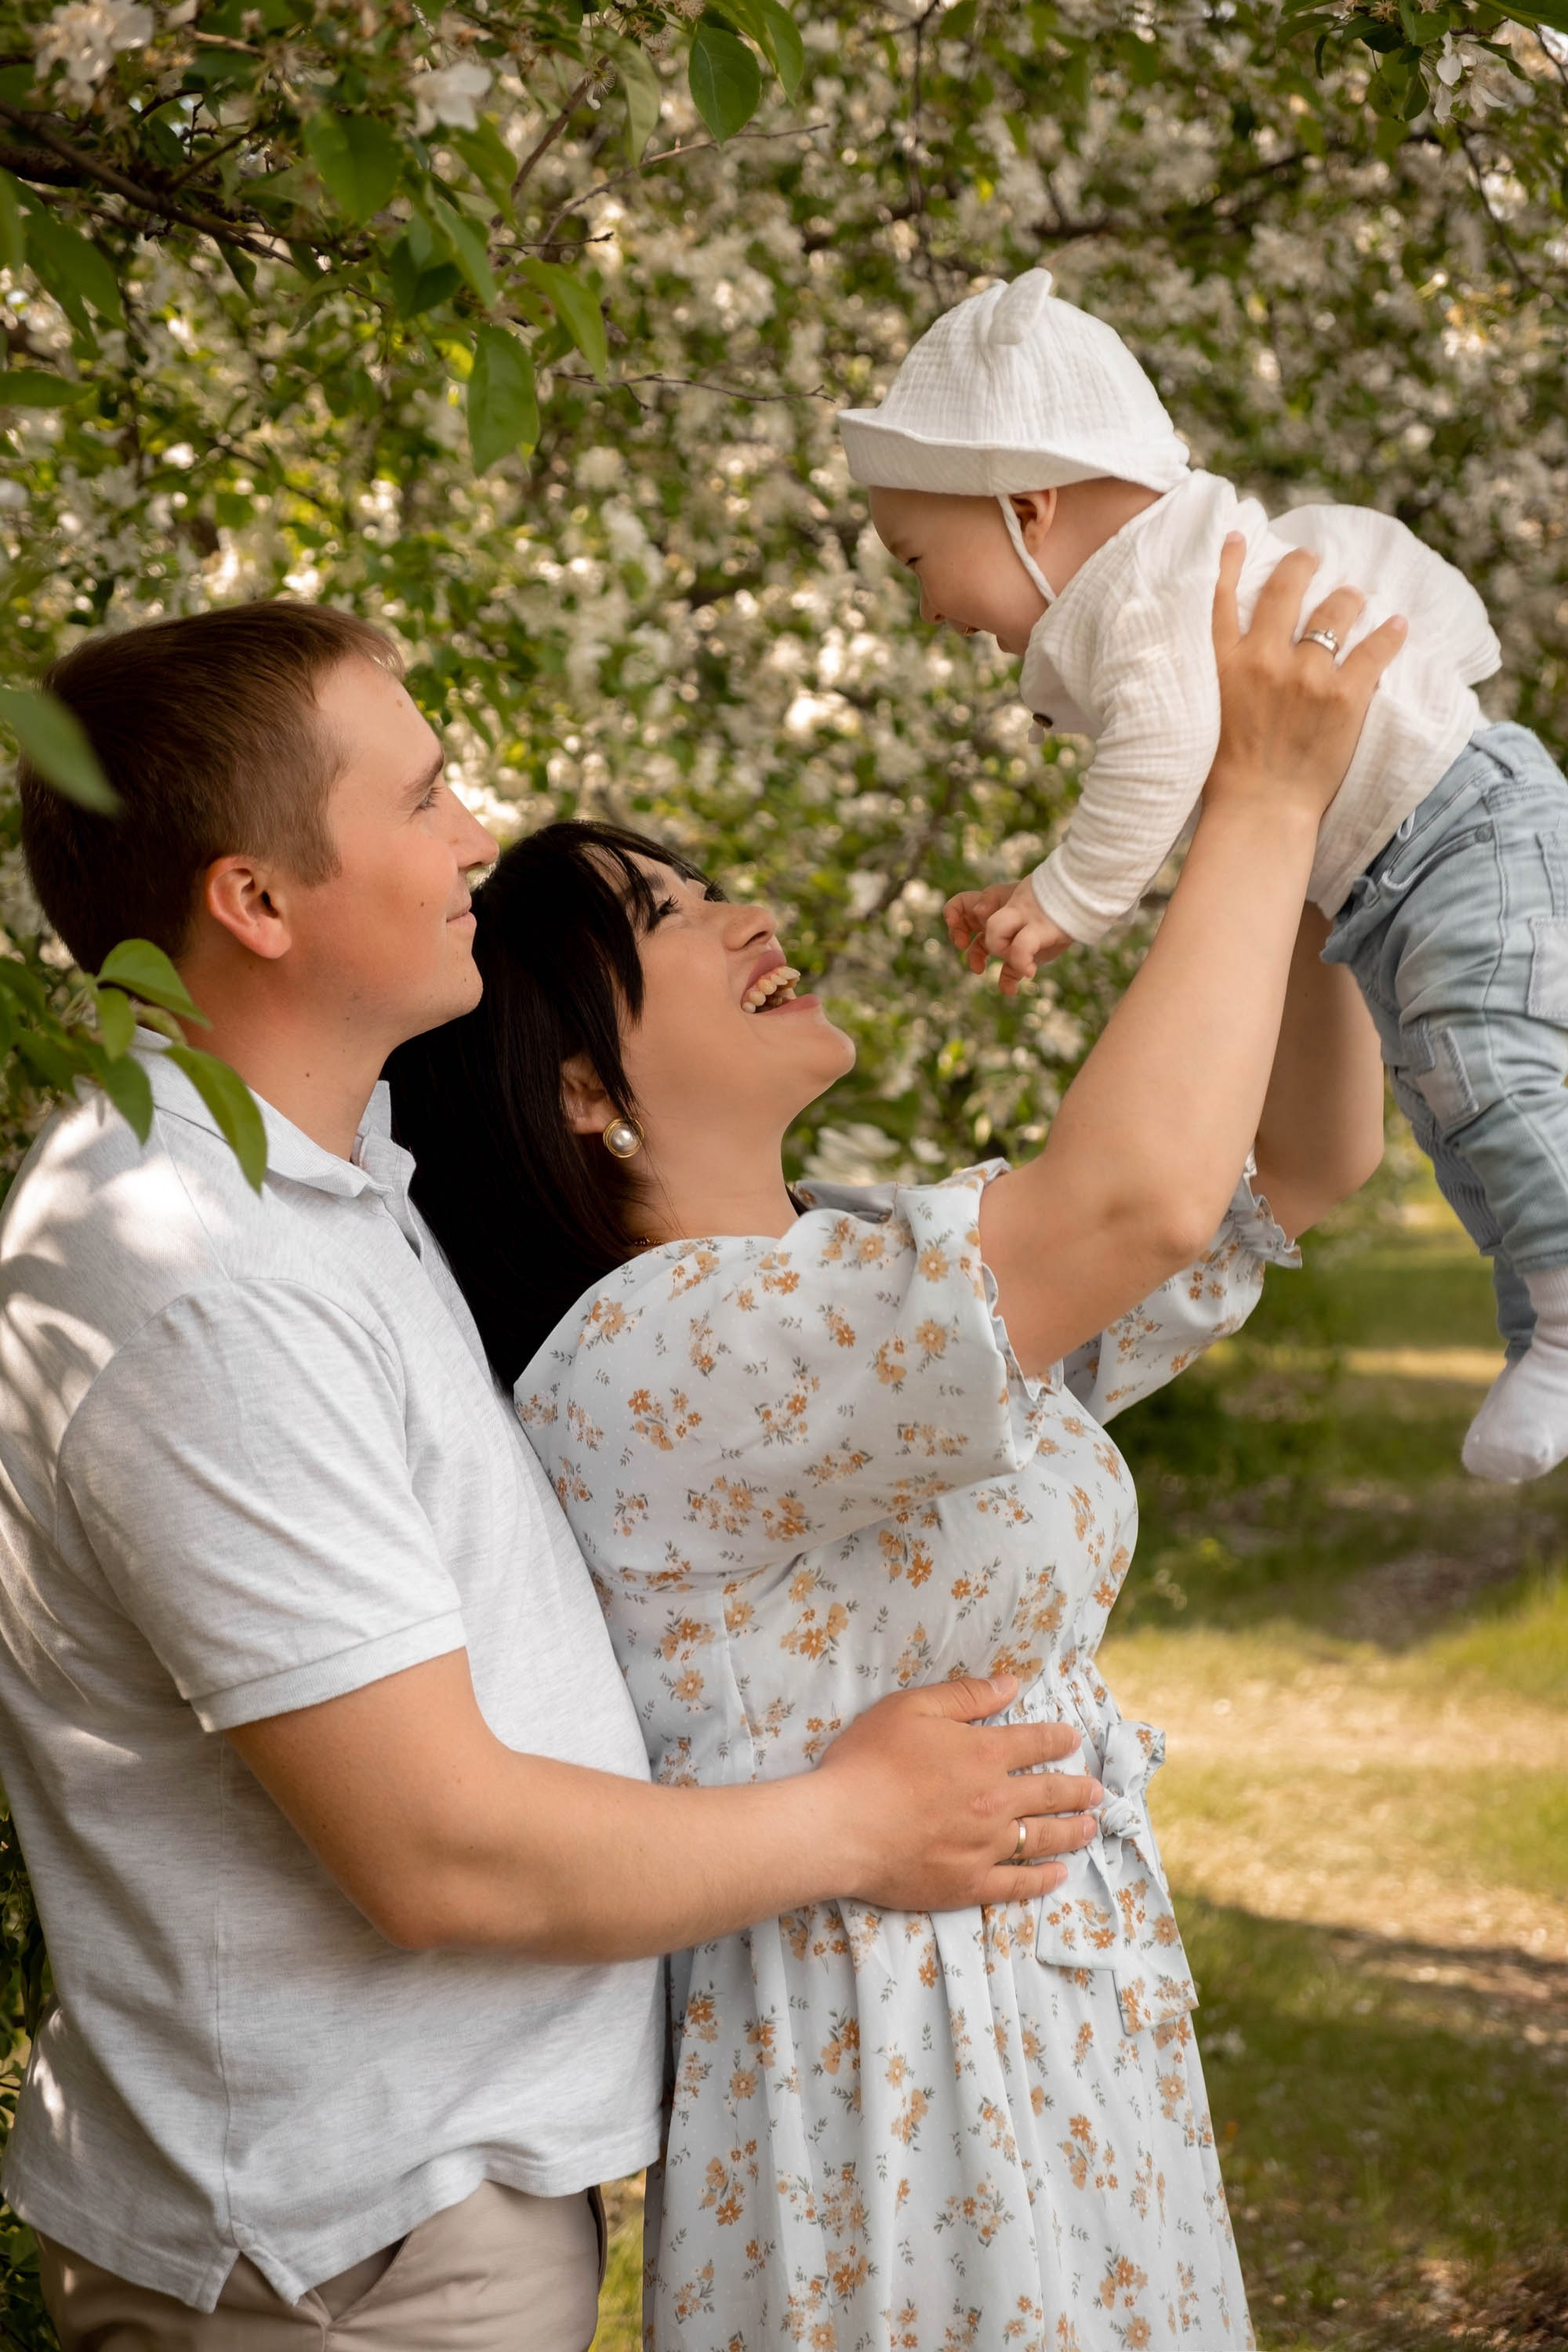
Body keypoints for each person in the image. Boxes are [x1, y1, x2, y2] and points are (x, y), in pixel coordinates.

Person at [0, 601, 1100, 2352]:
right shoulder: (200, 1275)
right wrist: (863, 1821)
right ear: (258, 901)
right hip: (338, 2254)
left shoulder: (329, 1179)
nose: (475, 839)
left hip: (414, 2212)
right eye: (423, 798)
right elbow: (438, 1852)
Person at [387, 541, 1396, 2350]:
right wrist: (1248, 785)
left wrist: (1324, 860)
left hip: (1064, 2044)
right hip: (896, 2101)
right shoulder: (655, 1357)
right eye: (667, 917)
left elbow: (1289, 1168)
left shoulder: (857, 1267)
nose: (744, 916)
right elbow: (1142, 1199)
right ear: (583, 1093)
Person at [839, 264, 1568, 1488]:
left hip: (1456, 836)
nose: (924, 608)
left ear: (1030, 504)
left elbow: (1169, 753)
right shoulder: (1152, 581)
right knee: (1459, 1104)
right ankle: (1540, 1331)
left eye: (918, 557)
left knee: (1492, 1073)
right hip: (1405, 869)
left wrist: (1062, 900)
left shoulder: (1148, 586)